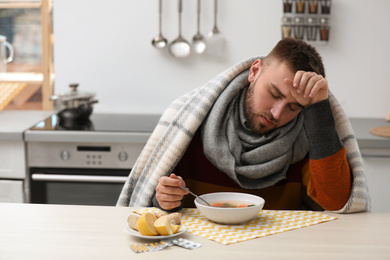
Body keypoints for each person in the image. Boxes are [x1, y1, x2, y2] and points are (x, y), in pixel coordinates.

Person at [117, 38, 370, 213]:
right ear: (254, 71)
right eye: (274, 93)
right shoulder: (191, 120)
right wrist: (164, 199)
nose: (277, 113)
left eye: (294, 107)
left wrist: (319, 108)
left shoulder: (310, 132)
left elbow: (336, 203)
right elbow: (151, 207)